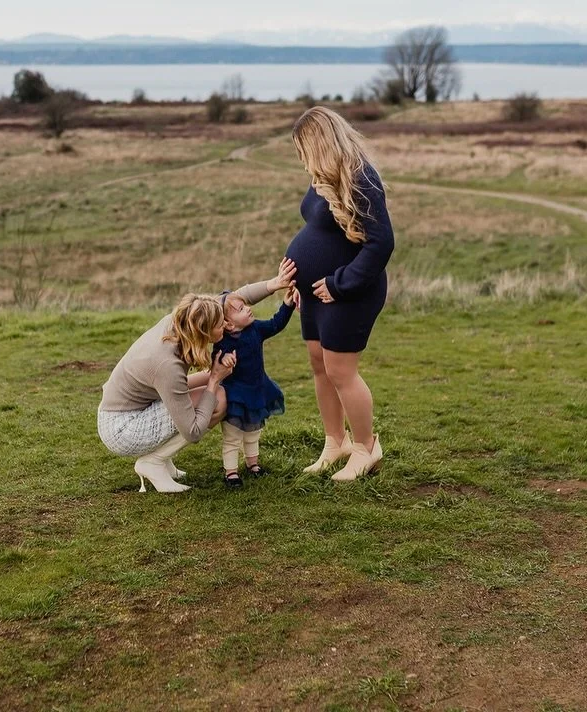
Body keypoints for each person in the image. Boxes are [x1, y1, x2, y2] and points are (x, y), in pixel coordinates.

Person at [97, 258, 297, 493]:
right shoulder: (167, 364)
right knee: (219, 398)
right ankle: (153, 462)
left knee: (213, 391)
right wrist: (213, 379)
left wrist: (273, 284)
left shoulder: (188, 317)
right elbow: (192, 431)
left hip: (141, 403)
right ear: (204, 332)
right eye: (220, 324)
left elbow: (234, 299)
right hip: (123, 428)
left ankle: (161, 458)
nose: (226, 325)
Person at [284, 106, 395, 481]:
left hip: (349, 292)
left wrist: (339, 283)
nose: (301, 160)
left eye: (303, 150)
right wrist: (295, 282)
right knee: (319, 364)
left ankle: (366, 447)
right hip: (315, 295)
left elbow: (381, 244)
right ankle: (336, 441)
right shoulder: (323, 176)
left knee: (340, 371)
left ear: (320, 143)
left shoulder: (362, 178)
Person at [212, 285, 299, 489]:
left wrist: (286, 305)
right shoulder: (222, 343)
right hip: (235, 395)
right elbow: (214, 360)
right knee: (233, 436)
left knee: (253, 432)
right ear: (229, 325)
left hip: (257, 389)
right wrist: (224, 359)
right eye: (241, 309)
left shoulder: (256, 329)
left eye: (245, 305)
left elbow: (276, 324)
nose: (248, 309)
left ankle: (253, 464)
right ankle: (231, 472)